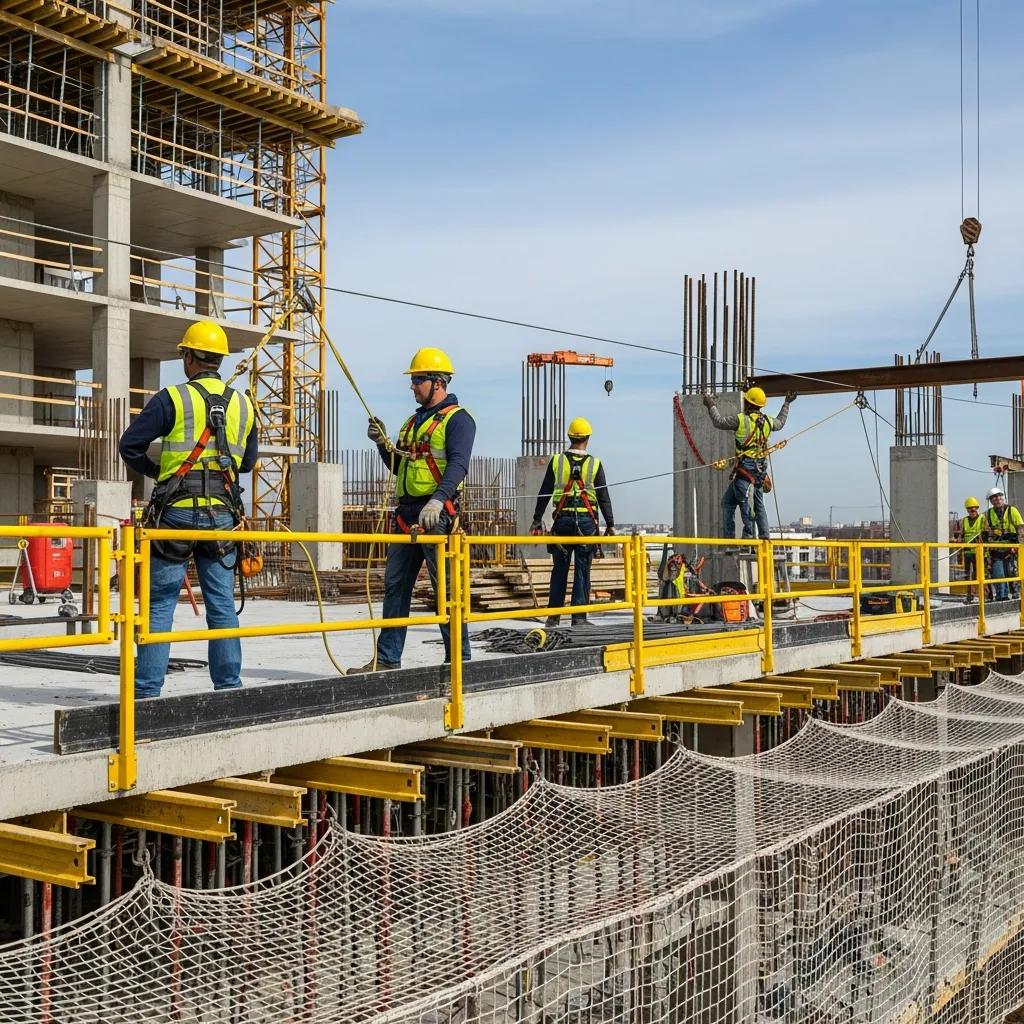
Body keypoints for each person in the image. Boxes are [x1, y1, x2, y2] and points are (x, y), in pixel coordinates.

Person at [118, 321, 256, 698]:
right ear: (220, 360)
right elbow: (245, 464)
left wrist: (163, 474)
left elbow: (130, 445)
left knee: (160, 605)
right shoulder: (243, 404)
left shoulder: (172, 398)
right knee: (222, 605)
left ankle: (147, 695)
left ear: (191, 357)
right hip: (222, 515)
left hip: (175, 513)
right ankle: (228, 689)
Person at [348, 347, 475, 673]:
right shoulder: (411, 422)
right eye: (413, 380)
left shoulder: (458, 420)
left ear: (438, 382)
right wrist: (380, 443)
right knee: (395, 587)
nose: (413, 386)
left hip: (436, 514)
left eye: (418, 380)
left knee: (446, 591)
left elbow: (459, 464)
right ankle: (388, 659)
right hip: (405, 516)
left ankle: (458, 661)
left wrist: (438, 499)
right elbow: (399, 466)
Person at [530, 417, 614, 628]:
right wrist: (610, 524)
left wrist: (536, 520)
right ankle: (579, 618)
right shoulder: (595, 464)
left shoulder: (557, 461)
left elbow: (545, 491)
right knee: (583, 569)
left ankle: (554, 617)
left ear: (569, 437)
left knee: (559, 568)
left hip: (562, 521)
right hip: (586, 523)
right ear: (587, 439)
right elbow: (603, 496)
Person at [703, 386, 797, 539]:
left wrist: (710, 404)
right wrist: (787, 403)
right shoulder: (767, 421)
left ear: (748, 404)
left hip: (744, 472)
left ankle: (749, 541)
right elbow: (780, 423)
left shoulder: (741, 420)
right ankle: (759, 538)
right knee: (734, 503)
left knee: (748, 508)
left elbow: (718, 422)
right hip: (759, 471)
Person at [983, 485, 1024, 601]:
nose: (997, 499)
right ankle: (1002, 596)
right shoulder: (987, 514)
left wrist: (1018, 546)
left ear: (1003, 498)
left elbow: (1021, 530)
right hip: (996, 550)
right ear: (991, 501)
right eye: (994, 498)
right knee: (999, 573)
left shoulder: (1012, 511)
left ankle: (1016, 594)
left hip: (1012, 548)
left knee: (1012, 571)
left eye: (999, 497)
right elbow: (985, 533)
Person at [958, 496, 984, 602]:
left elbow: (986, 534)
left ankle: (983, 594)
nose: (972, 511)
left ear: (976, 508)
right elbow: (961, 536)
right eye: (969, 509)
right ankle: (969, 594)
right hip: (967, 551)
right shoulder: (964, 521)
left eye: (973, 509)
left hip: (979, 552)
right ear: (967, 510)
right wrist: (960, 552)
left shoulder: (982, 519)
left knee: (980, 574)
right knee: (967, 574)